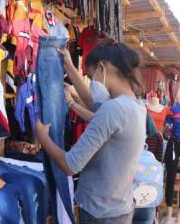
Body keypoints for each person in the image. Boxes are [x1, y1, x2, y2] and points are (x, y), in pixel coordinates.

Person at [36, 40, 146, 224]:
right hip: (119, 209)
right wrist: (70, 67)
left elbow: (70, 165)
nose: (92, 82)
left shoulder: (114, 109)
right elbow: (94, 103)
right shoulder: (135, 105)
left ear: (102, 68)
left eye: (90, 75)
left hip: (100, 214)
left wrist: (43, 138)